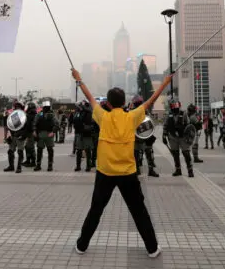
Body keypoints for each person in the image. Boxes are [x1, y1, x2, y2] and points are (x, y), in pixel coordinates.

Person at [72, 68, 172, 258]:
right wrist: (165, 83)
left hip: (105, 173)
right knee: (139, 211)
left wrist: (78, 79)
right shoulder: (132, 116)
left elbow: (89, 96)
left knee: (96, 210)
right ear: (124, 102)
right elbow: (151, 101)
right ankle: (152, 248)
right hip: (128, 173)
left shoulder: (103, 116)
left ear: (108, 104)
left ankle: (82, 245)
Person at [129, 95, 159, 177]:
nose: (138, 105)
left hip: (145, 135)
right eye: (137, 103)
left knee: (149, 152)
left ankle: (151, 170)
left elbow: (150, 122)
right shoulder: (131, 112)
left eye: (139, 103)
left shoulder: (145, 111)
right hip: (135, 136)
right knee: (135, 154)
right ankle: (136, 169)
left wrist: (150, 134)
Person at [164, 99, 194, 177]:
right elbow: (166, 125)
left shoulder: (183, 114)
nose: (175, 108)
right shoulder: (169, 115)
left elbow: (188, 125)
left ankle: (190, 170)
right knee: (175, 154)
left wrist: (187, 135)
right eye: (173, 107)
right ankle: (178, 170)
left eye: (176, 106)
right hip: (172, 137)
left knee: (186, 153)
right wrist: (164, 135)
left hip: (182, 137)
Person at [33, 101, 58, 171]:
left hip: (49, 134)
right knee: (39, 150)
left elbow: (56, 124)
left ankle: (50, 165)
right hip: (40, 134)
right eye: (45, 107)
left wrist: (53, 132)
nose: (46, 108)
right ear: (43, 107)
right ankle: (38, 164)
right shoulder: (39, 114)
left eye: (48, 107)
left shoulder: (52, 115)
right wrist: (34, 131)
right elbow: (35, 123)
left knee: (50, 150)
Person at [4, 101, 26, 173]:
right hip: (13, 136)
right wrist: (8, 136)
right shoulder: (13, 116)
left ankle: (19, 167)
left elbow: (27, 128)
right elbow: (9, 126)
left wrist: (23, 135)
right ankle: (11, 166)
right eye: (16, 107)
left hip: (20, 136)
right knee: (10, 151)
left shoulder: (24, 116)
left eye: (18, 107)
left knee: (20, 151)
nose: (17, 108)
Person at [23, 102, 38, 167]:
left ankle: (33, 162)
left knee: (31, 147)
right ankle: (28, 160)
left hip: (31, 133)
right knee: (27, 147)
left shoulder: (31, 115)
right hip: (29, 133)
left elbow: (29, 125)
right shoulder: (31, 114)